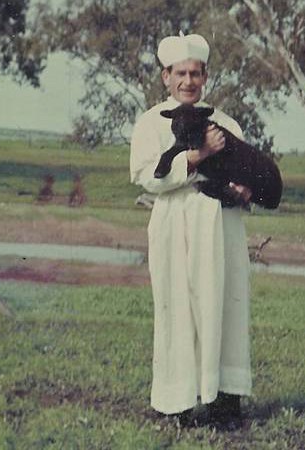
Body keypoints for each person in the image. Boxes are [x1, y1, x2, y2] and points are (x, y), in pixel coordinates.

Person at [130, 33, 253, 426]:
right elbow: (147, 175)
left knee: (224, 304)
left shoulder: (226, 122)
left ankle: (224, 403)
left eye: (195, 73)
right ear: (165, 76)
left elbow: (246, 170)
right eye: (180, 73)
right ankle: (177, 402)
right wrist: (199, 156)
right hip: (173, 220)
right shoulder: (151, 122)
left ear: (205, 75)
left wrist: (244, 187)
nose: (188, 81)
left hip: (220, 224)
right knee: (177, 306)